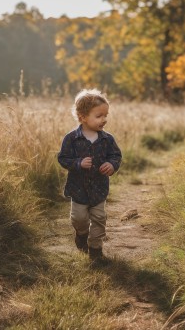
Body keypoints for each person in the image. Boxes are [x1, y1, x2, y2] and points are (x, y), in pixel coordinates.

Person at [57, 89, 122, 263]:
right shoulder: (71, 139)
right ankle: (81, 234)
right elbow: (63, 158)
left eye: (105, 115)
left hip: (99, 189)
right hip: (78, 189)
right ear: (82, 117)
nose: (104, 119)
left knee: (100, 218)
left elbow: (115, 156)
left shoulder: (107, 139)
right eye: (99, 116)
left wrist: (112, 164)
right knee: (79, 218)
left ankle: (95, 249)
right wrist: (78, 163)